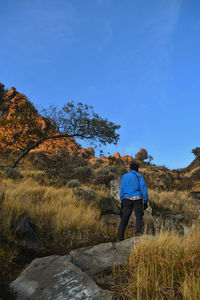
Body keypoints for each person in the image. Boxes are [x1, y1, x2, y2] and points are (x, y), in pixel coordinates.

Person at [118, 162, 148, 240]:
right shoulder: (139, 176)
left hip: (127, 199)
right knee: (138, 216)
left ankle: (120, 237)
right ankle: (138, 234)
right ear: (137, 169)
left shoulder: (124, 176)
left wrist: (122, 200)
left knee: (124, 218)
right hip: (138, 199)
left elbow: (121, 189)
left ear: (130, 168)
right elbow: (143, 188)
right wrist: (145, 201)